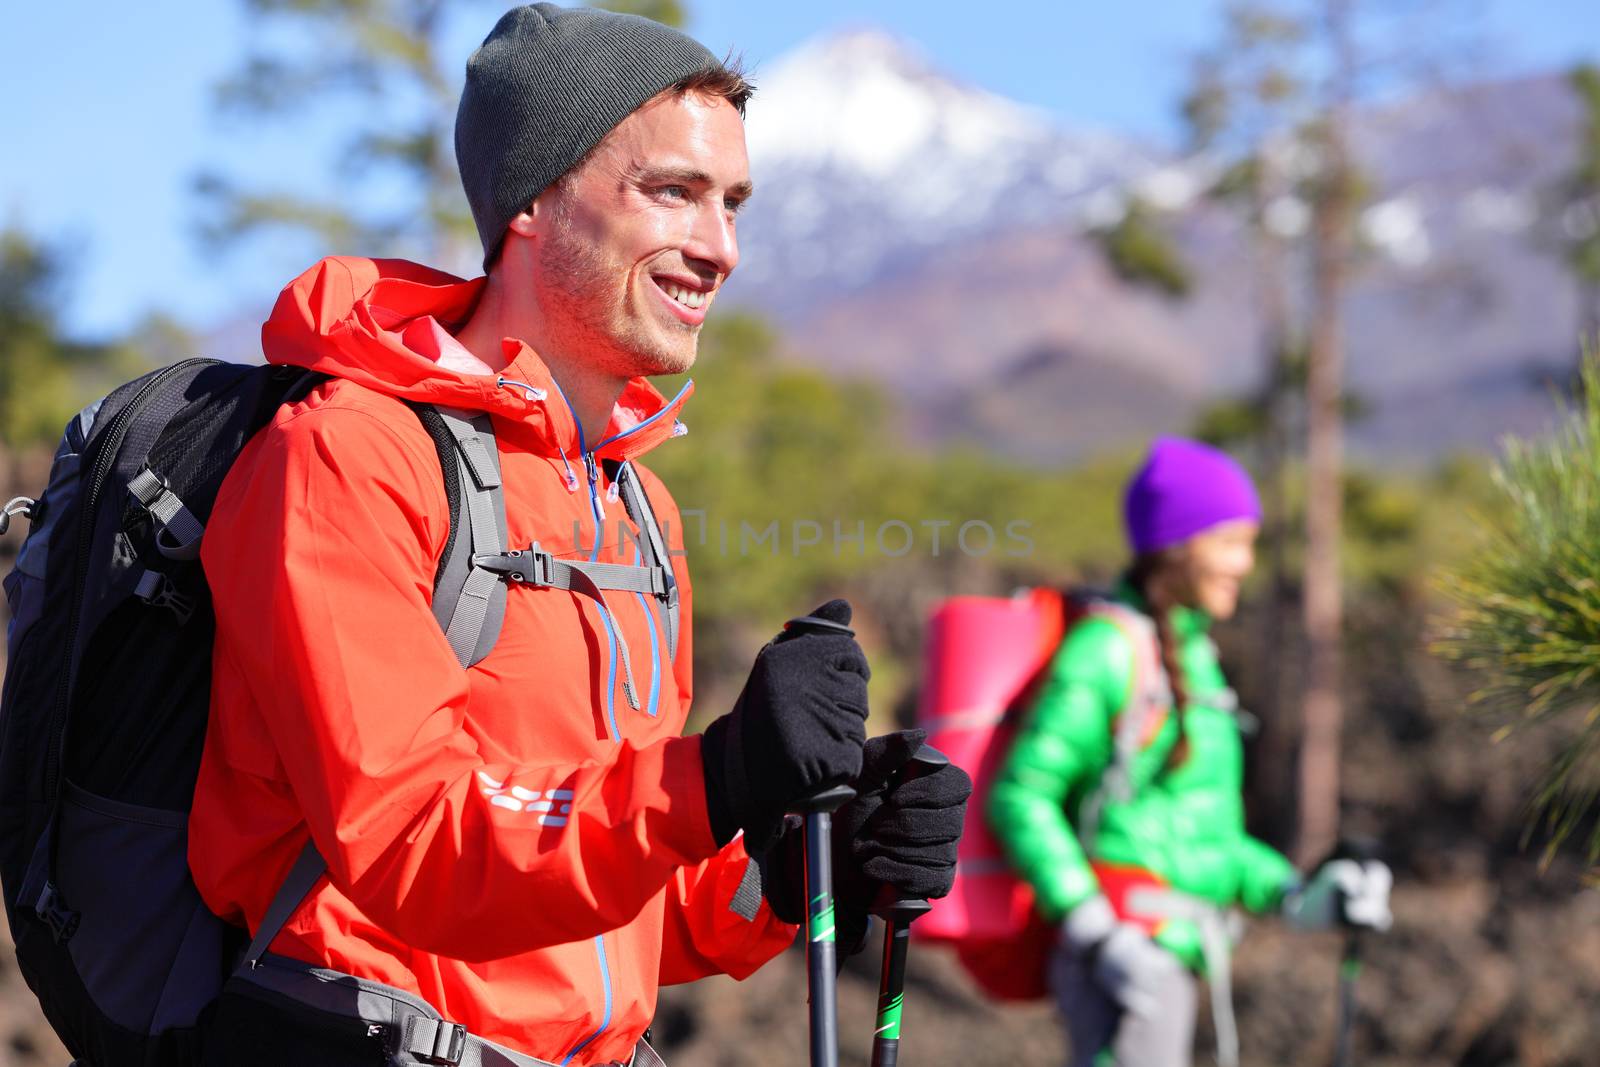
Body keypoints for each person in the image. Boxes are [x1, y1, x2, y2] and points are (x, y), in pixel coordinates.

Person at [187, 6, 970, 1065]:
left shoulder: (631, 502)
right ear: (533, 200)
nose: (721, 247)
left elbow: (621, 905)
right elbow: (413, 835)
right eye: (673, 192)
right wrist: (715, 775)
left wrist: (793, 860)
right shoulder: (348, 455)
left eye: (733, 202)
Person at [988, 437, 1392, 1067]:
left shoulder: (1197, 662)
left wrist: (1297, 894)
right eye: (1230, 542)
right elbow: (1022, 794)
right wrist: (1095, 932)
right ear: (1176, 545)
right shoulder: (1108, 652)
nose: (1245, 564)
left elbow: (1208, 841)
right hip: (1125, 966)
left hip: (1172, 955)